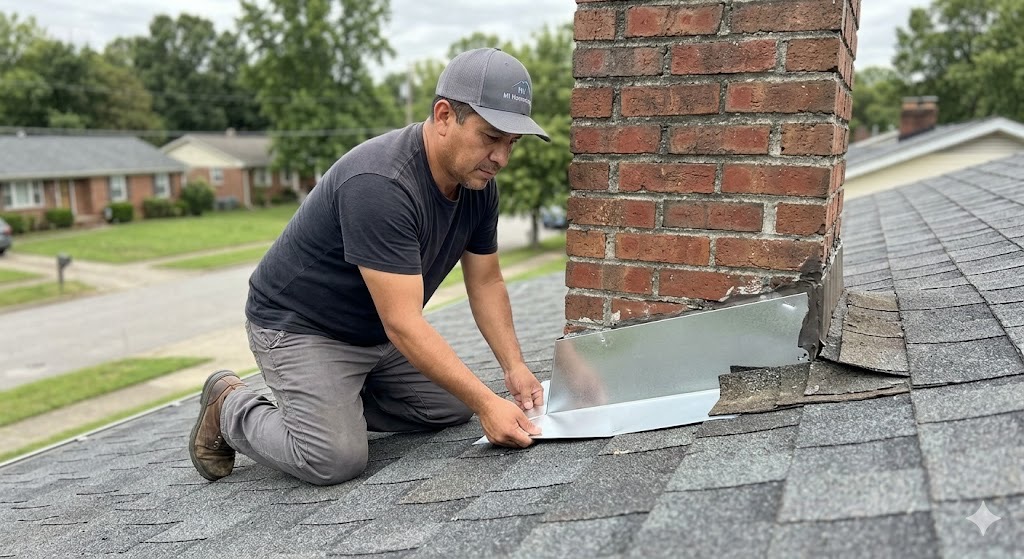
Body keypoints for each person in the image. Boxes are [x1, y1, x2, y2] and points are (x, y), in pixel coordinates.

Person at [188, 48, 551, 486]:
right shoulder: (381, 184)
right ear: (443, 117)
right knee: (334, 458)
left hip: (374, 330)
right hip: (301, 327)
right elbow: (402, 323)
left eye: (510, 143)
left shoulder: (477, 185)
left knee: (453, 407)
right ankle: (229, 405)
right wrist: (488, 405)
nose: (501, 158)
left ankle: (328, 400)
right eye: (491, 136)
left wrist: (514, 366)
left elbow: (488, 282)